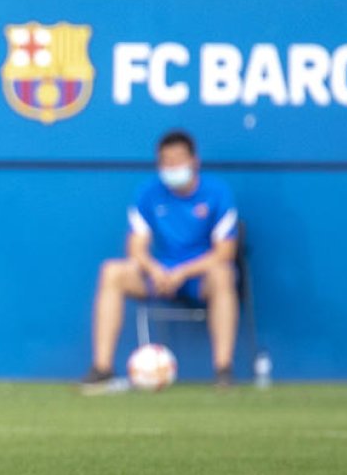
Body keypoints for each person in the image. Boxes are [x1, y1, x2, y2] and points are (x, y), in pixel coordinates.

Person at [81, 129, 239, 392]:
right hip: (159, 275)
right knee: (112, 271)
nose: (172, 167)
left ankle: (223, 370)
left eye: (178, 160)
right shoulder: (148, 192)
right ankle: (102, 369)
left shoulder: (218, 192)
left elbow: (225, 252)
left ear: (194, 161)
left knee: (223, 275)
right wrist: (155, 269)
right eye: (166, 161)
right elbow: (136, 247)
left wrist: (183, 272)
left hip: (198, 277)